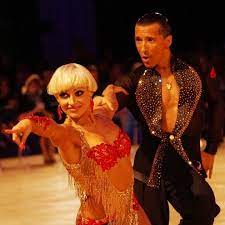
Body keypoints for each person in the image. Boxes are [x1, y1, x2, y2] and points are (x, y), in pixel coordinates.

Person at [108, 12, 223, 225]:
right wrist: (107, 98)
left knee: (204, 210)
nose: (143, 48)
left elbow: (217, 103)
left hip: (184, 164)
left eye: (150, 39)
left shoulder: (195, 68)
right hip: (148, 170)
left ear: (167, 41)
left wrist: (211, 147)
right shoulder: (137, 79)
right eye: (138, 39)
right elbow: (118, 93)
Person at [4, 63, 151, 225]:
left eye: (79, 93)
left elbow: (109, 105)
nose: (72, 102)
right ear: (57, 99)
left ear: (90, 92)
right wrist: (28, 123)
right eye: (64, 95)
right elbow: (48, 128)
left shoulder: (101, 116)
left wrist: (109, 91)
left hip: (132, 210)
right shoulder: (68, 134)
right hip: (100, 221)